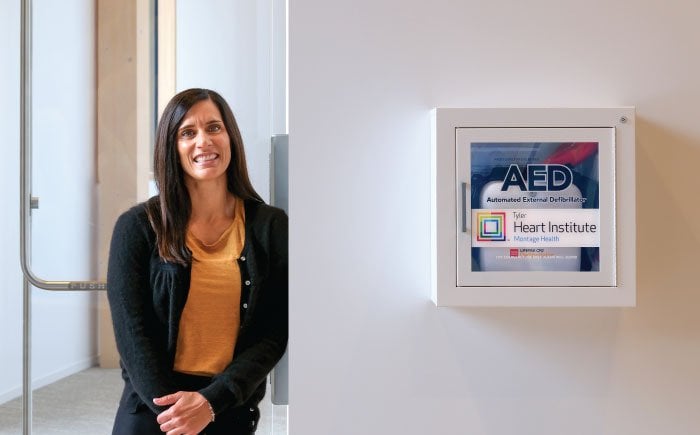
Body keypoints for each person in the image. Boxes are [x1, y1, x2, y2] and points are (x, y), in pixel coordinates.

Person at [107, 88, 288, 435]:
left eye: (214, 128)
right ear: (171, 148)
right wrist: (177, 414)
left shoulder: (270, 227)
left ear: (230, 137)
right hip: (153, 411)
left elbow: (273, 331)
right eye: (187, 132)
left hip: (226, 407)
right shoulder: (137, 228)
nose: (203, 141)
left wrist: (210, 403)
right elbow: (133, 333)